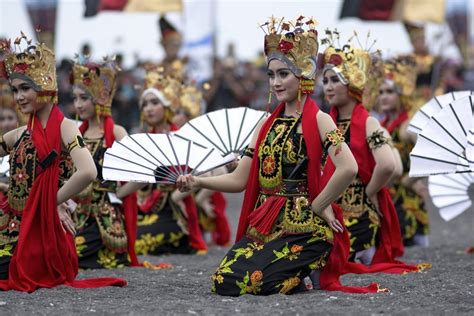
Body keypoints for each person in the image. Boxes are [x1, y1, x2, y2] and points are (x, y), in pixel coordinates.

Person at [177, 16, 376, 296]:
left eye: (283, 74)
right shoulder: (264, 124)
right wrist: (198, 181)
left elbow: (348, 167)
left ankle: (306, 271)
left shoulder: (320, 120)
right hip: (265, 224)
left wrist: (319, 206)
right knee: (224, 281)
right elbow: (239, 179)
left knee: (259, 282)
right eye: (272, 75)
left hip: (304, 225)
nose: (276, 82)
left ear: (303, 74)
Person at [0, 35, 125, 292]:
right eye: (15, 90)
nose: (19, 97)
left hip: (45, 229)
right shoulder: (20, 134)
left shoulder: (67, 128)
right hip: (12, 222)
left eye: (26, 88)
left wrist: (52, 202)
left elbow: (89, 171)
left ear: (45, 85)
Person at [71, 57, 142, 268]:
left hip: (104, 221)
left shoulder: (115, 133)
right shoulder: (75, 133)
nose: (78, 105)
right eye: (75, 98)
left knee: (69, 255)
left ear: (99, 98)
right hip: (77, 215)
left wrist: (117, 195)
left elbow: (143, 172)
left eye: (83, 98)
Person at [135, 66, 207, 255]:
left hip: (174, 212)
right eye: (145, 104)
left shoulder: (181, 137)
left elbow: (205, 171)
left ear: (166, 105)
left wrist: (179, 195)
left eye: (154, 102)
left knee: (138, 243)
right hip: (146, 207)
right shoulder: (143, 140)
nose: (148, 108)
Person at [378, 55, 430, 247]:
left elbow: (431, 153)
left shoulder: (408, 126)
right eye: (381, 91)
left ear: (401, 95)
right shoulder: (380, 125)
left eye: (389, 91)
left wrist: (412, 179)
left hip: (408, 203)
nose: (383, 96)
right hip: (388, 199)